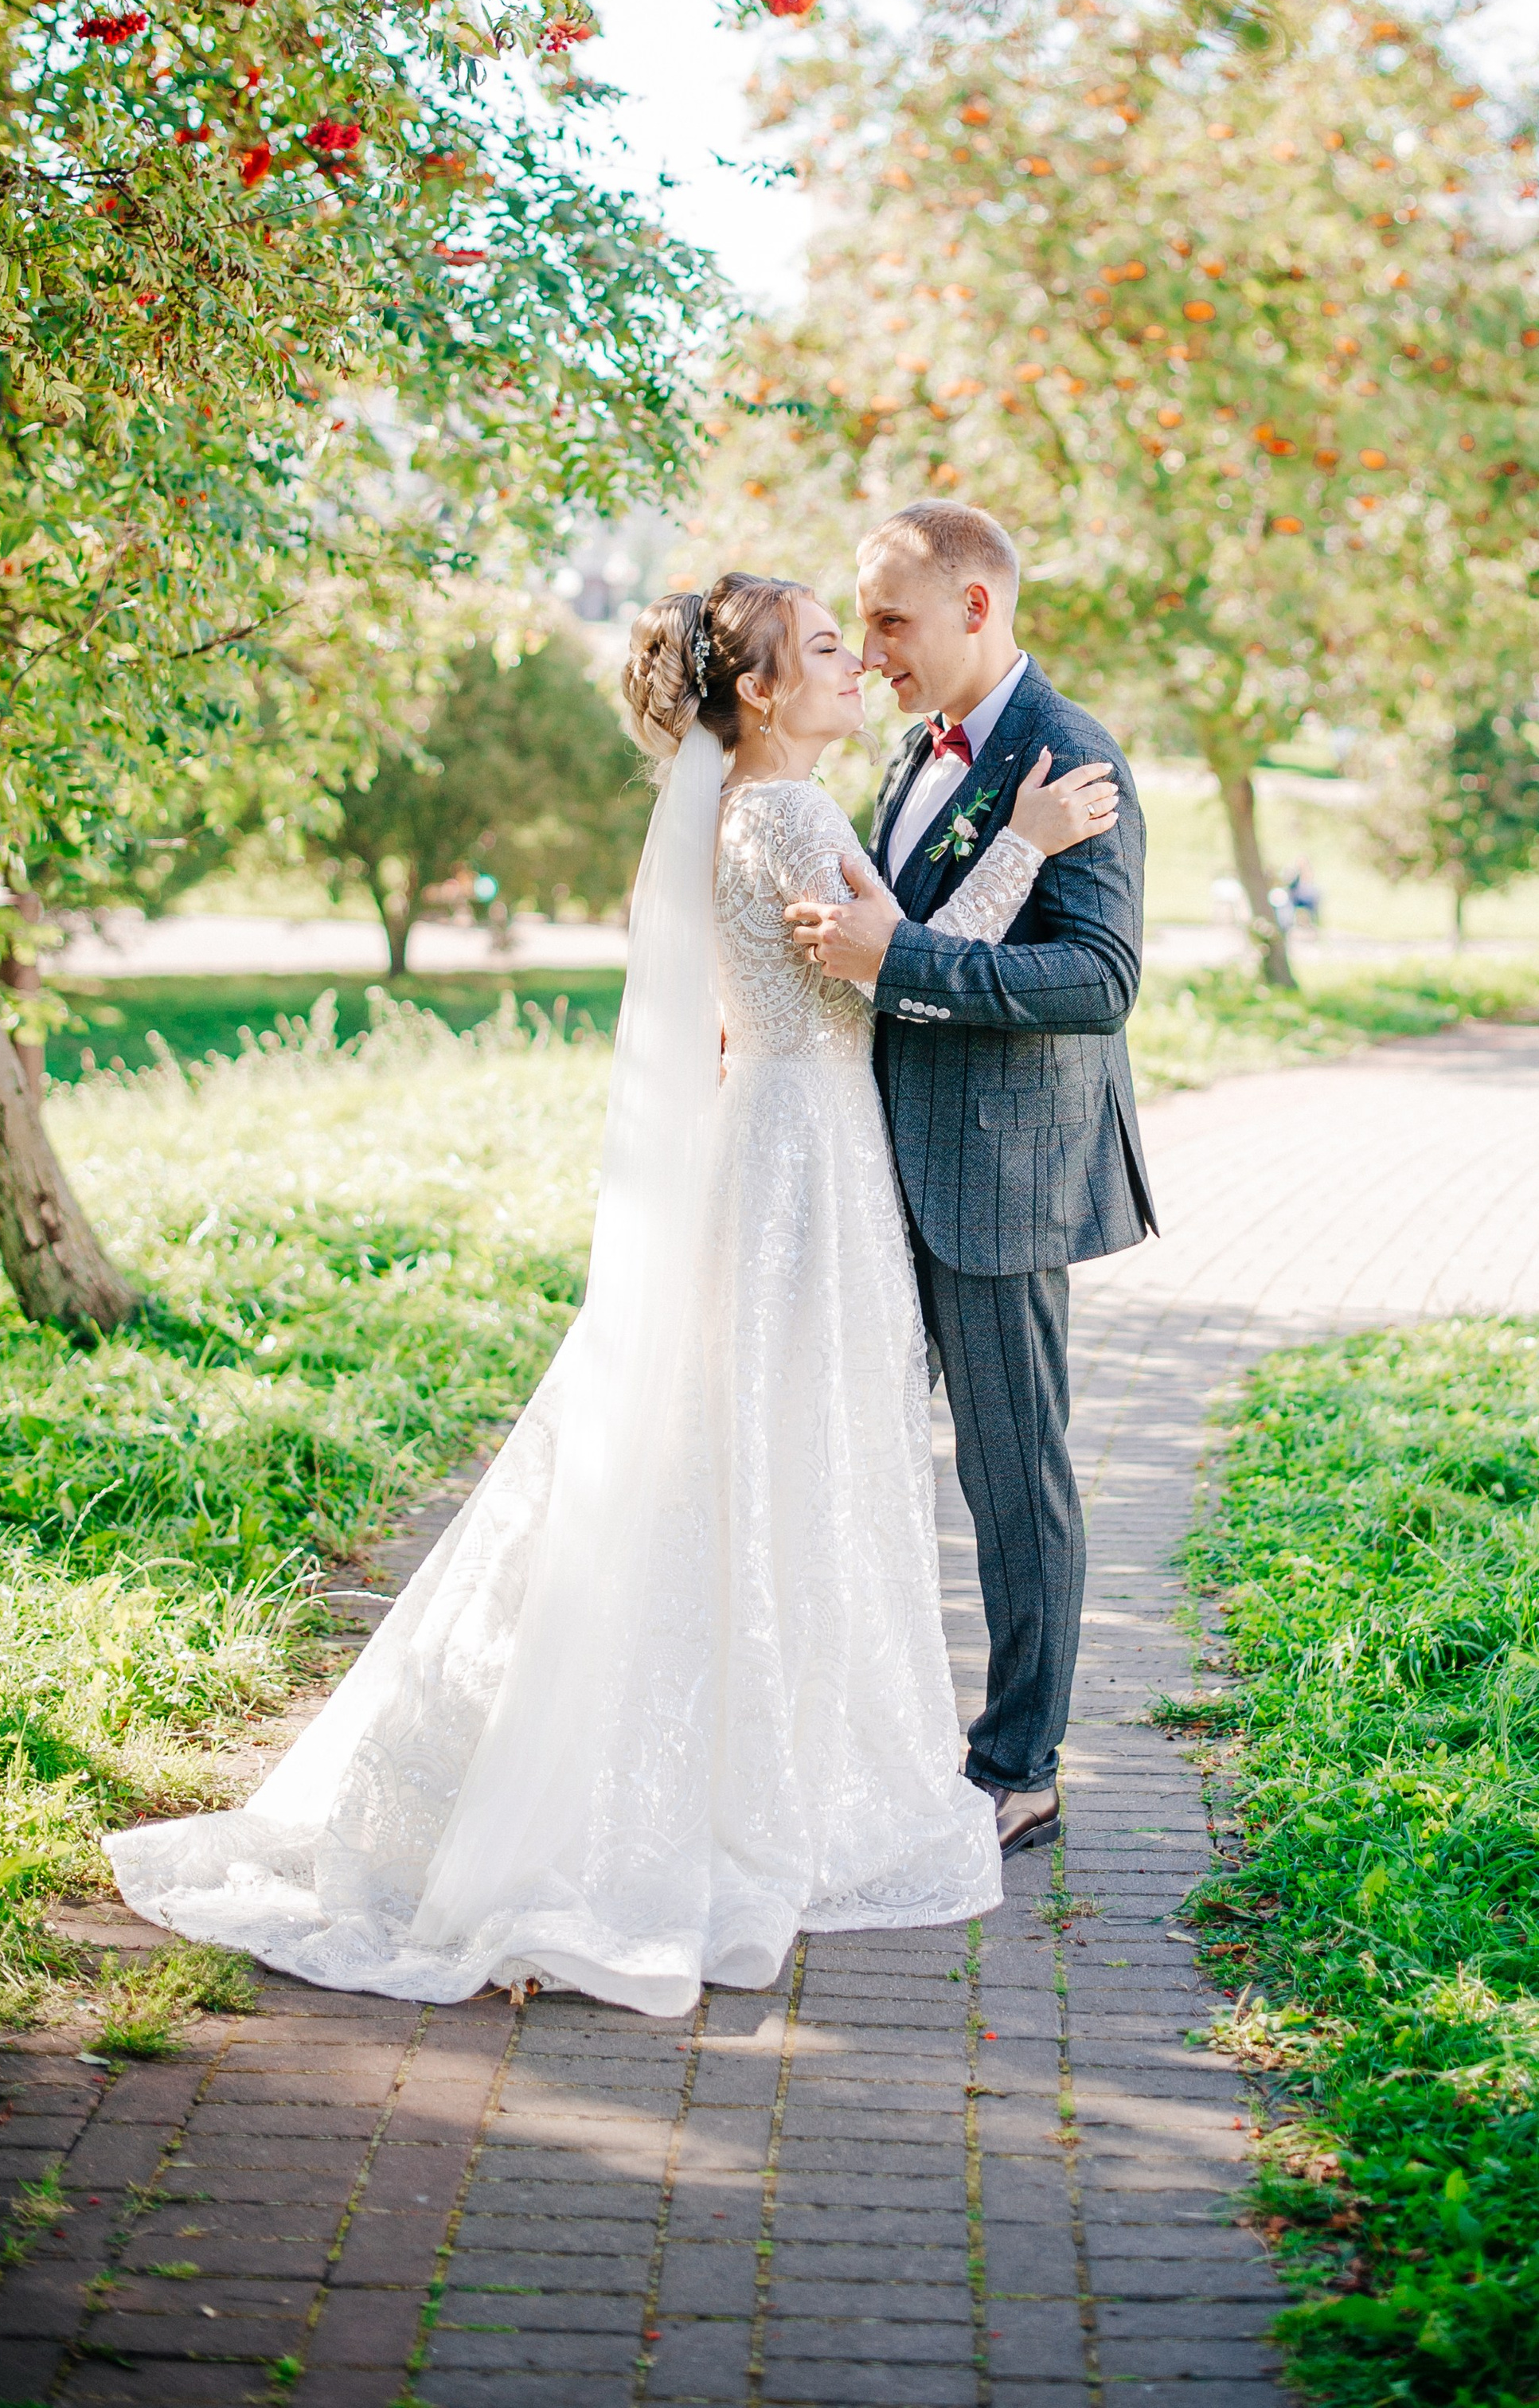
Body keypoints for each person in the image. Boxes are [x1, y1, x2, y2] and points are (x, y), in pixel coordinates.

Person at [106, 573, 1118, 2015]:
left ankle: (695, 1758)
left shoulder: (738, 812)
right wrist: (1019, 843)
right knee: (783, 1465)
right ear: (759, 693)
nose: (853, 665)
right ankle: (740, 1788)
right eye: (829, 647)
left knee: (729, 1459)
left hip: (770, 1140)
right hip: (803, 1160)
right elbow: (889, 970)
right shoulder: (789, 813)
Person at [787, 502, 1156, 1860]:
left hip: (1000, 1181)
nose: (873, 649)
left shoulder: (1074, 756)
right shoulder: (907, 755)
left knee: (1016, 1481)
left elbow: (1100, 982)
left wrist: (900, 970)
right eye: (865, 622)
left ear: (976, 607)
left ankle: (1020, 1768)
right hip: (884, 1162)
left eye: (891, 619)